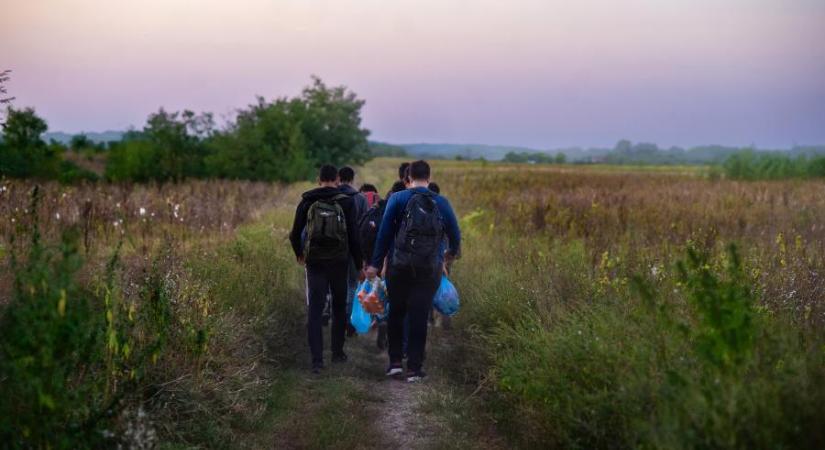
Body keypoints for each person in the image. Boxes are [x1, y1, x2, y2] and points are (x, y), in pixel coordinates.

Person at [366, 160, 461, 382]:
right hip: (429, 269)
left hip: (399, 267)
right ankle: (415, 369)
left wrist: (376, 265)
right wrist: (447, 255)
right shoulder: (441, 202)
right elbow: (455, 235)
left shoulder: (398, 199)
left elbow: (384, 234)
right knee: (419, 315)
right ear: (429, 177)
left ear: (407, 178)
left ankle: (395, 363)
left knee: (396, 313)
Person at [289, 165, 363, 374]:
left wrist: (300, 254)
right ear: (338, 179)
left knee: (315, 308)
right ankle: (337, 353)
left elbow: (294, 234)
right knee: (339, 308)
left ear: (318, 179)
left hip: (315, 262)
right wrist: (359, 264)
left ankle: (317, 361)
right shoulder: (347, 202)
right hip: (339, 261)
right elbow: (355, 237)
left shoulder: (307, 201)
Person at [338, 166, 369, 337]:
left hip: (333, 248)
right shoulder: (360, 198)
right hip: (353, 248)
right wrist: (362, 257)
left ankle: (336, 319)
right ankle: (348, 324)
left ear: (338, 178)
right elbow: (363, 231)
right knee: (351, 285)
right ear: (352, 179)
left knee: (335, 285)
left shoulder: (332, 196)